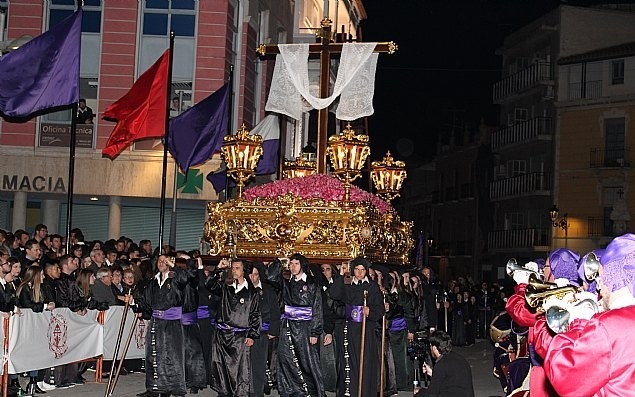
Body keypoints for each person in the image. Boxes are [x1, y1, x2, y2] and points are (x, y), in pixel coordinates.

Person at [533, 234, 635, 396]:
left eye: (601, 276)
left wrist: (578, 322)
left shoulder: (608, 326)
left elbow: (563, 377)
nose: (599, 284)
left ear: (614, 276)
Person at [266, 253, 324, 397]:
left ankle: (311, 391)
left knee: (307, 361)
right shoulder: (286, 283)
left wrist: (315, 332)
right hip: (288, 326)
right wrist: (279, 261)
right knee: (287, 359)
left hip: (305, 327)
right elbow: (271, 277)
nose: (293, 267)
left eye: (296, 264)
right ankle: (291, 390)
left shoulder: (311, 284)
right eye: (291, 264)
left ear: (302, 265)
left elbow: (317, 308)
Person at [329, 257, 384, 397]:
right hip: (349, 330)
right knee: (349, 363)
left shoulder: (372, 287)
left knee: (364, 364)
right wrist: (341, 275)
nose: (359, 273)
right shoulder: (347, 284)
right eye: (357, 270)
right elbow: (334, 294)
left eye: (362, 270)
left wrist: (369, 312)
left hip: (366, 331)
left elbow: (380, 310)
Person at [135, 254, 188, 397]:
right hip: (156, 322)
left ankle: (169, 387)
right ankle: (154, 387)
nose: (161, 263)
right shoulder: (153, 282)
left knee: (171, 355)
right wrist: (137, 306)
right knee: (153, 355)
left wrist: (173, 266)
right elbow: (145, 301)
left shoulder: (175, 278)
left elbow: (184, 279)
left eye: (165, 261)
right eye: (159, 261)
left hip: (172, 323)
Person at [206, 258, 260, 397]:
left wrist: (252, 334)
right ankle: (223, 393)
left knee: (238, 369)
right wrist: (218, 268)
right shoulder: (225, 288)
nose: (234, 271)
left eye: (237, 268)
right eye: (232, 268)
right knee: (221, 367)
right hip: (222, 335)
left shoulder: (252, 293)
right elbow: (209, 284)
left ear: (243, 271)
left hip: (239, 337)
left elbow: (255, 314)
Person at [249, 261, 280, 397]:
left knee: (260, 365)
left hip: (263, 333)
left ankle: (257, 392)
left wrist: (273, 331)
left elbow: (275, 312)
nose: (252, 278)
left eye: (255, 275)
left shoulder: (267, 290)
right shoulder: (243, 289)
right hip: (246, 333)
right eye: (250, 275)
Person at [414, 330, 475, 397]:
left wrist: (419, 391)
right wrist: (433, 373)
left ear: (434, 348)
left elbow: (432, 393)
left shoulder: (441, 364)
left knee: (419, 393)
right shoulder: (458, 358)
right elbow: (449, 380)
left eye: (430, 346)